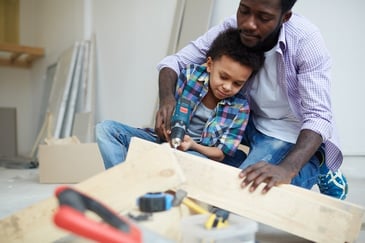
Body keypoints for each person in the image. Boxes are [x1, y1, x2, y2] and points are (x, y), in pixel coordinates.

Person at [155, 0, 348, 199]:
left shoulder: (306, 40)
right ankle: (237, 159)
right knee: (209, 170)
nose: (249, 24)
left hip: (286, 129)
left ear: (285, 17)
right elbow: (175, 62)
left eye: (263, 18)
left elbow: (319, 117)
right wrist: (167, 100)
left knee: (248, 192)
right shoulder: (233, 26)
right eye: (244, 10)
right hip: (245, 115)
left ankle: (316, 166)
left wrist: (286, 169)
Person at [96, 28, 264, 169]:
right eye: (223, 77)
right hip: (166, 142)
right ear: (210, 65)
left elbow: (220, 153)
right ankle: (123, 181)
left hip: (198, 154)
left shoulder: (240, 108)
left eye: (237, 83)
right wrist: (166, 129)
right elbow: (170, 112)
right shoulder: (190, 75)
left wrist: (192, 145)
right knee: (106, 130)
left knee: (192, 160)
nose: (227, 87)